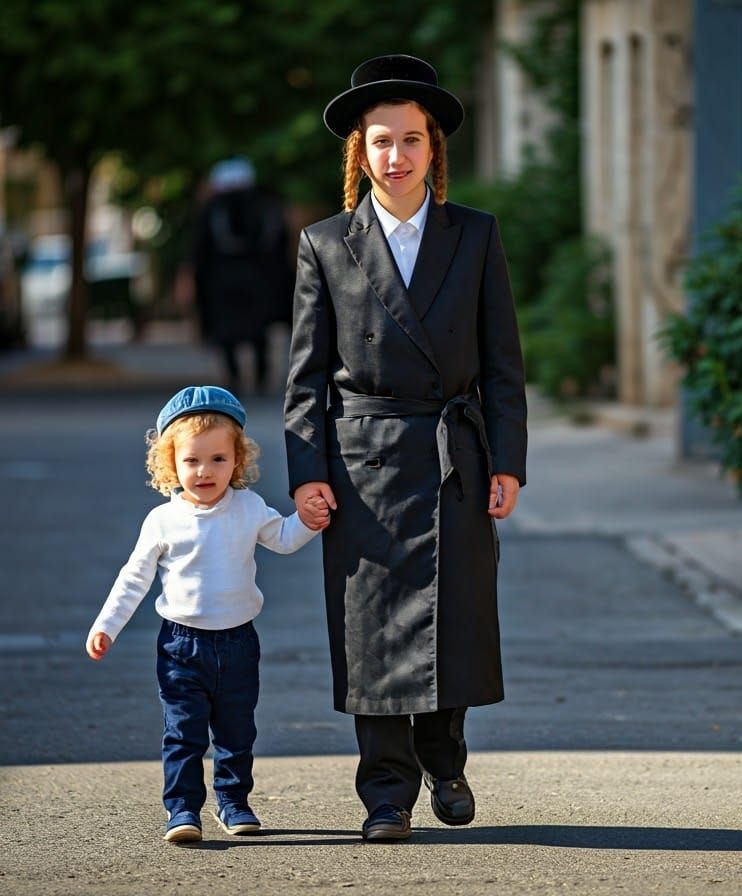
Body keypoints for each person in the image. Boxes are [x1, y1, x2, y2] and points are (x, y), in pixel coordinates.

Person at [285, 54, 527, 842]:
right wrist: (307, 475)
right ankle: (385, 796)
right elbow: (304, 379)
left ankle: (443, 756)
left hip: (456, 453)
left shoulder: (477, 236)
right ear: (361, 152)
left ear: (433, 151)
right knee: (372, 630)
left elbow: (501, 365)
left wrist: (508, 461)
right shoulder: (325, 245)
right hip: (365, 463)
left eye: (411, 141)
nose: (397, 156)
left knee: (453, 614)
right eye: (381, 141)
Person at [85, 385, 330, 844]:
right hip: (182, 646)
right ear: (170, 464)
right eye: (192, 460)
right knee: (184, 733)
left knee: (237, 732)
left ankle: (234, 802)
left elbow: (282, 537)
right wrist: (106, 626)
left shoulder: (249, 507)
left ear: (237, 460)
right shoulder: (163, 520)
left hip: (238, 642)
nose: (204, 471)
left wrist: (308, 521)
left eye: (218, 459)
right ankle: (182, 810)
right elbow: (134, 578)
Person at [189, 158, 294, 394]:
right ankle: (259, 376)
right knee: (258, 333)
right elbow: (280, 246)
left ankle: (236, 377)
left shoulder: (212, 210)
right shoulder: (265, 208)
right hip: (259, 282)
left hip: (223, 284)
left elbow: (199, 251)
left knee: (228, 333)